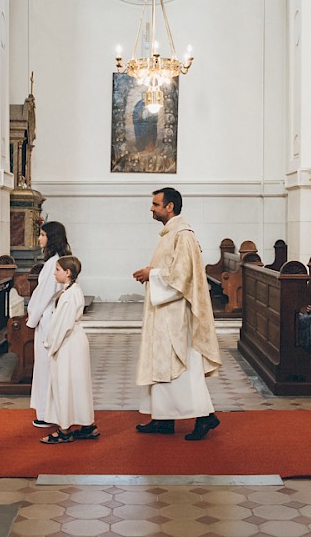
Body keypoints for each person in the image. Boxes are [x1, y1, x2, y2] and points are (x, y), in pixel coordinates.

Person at [132, 187, 223, 441]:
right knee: (163, 366)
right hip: (164, 313)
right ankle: (163, 419)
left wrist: (152, 274)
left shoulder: (183, 235)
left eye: (155, 204)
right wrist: (152, 271)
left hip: (175, 316)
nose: (151, 208)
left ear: (169, 206)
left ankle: (205, 417)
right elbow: (170, 269)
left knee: (182, 366)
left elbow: (182, 276)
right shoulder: (170, 233)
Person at [40, 256, 98, 444]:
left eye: (57, 270)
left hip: (67, 343)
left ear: (68, 273)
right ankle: (87, 425)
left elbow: (62, 326)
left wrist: (51, 345)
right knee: (76, 385)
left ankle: (64, 430)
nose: (55, 273)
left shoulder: (70, 295)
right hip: (72, 342)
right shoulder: (71, 291)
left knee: (64, 384)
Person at [27, 220, 71, 428]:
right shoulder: (63, 260)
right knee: (51, 366)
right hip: (54, 317)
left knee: (45, 367)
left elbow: (43, 295)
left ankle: (45, 413)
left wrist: (31, 319)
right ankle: (53, 410)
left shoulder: (52, 264)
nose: (40, 239)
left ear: (51, 238)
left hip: (48, 319)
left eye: (43, 235)